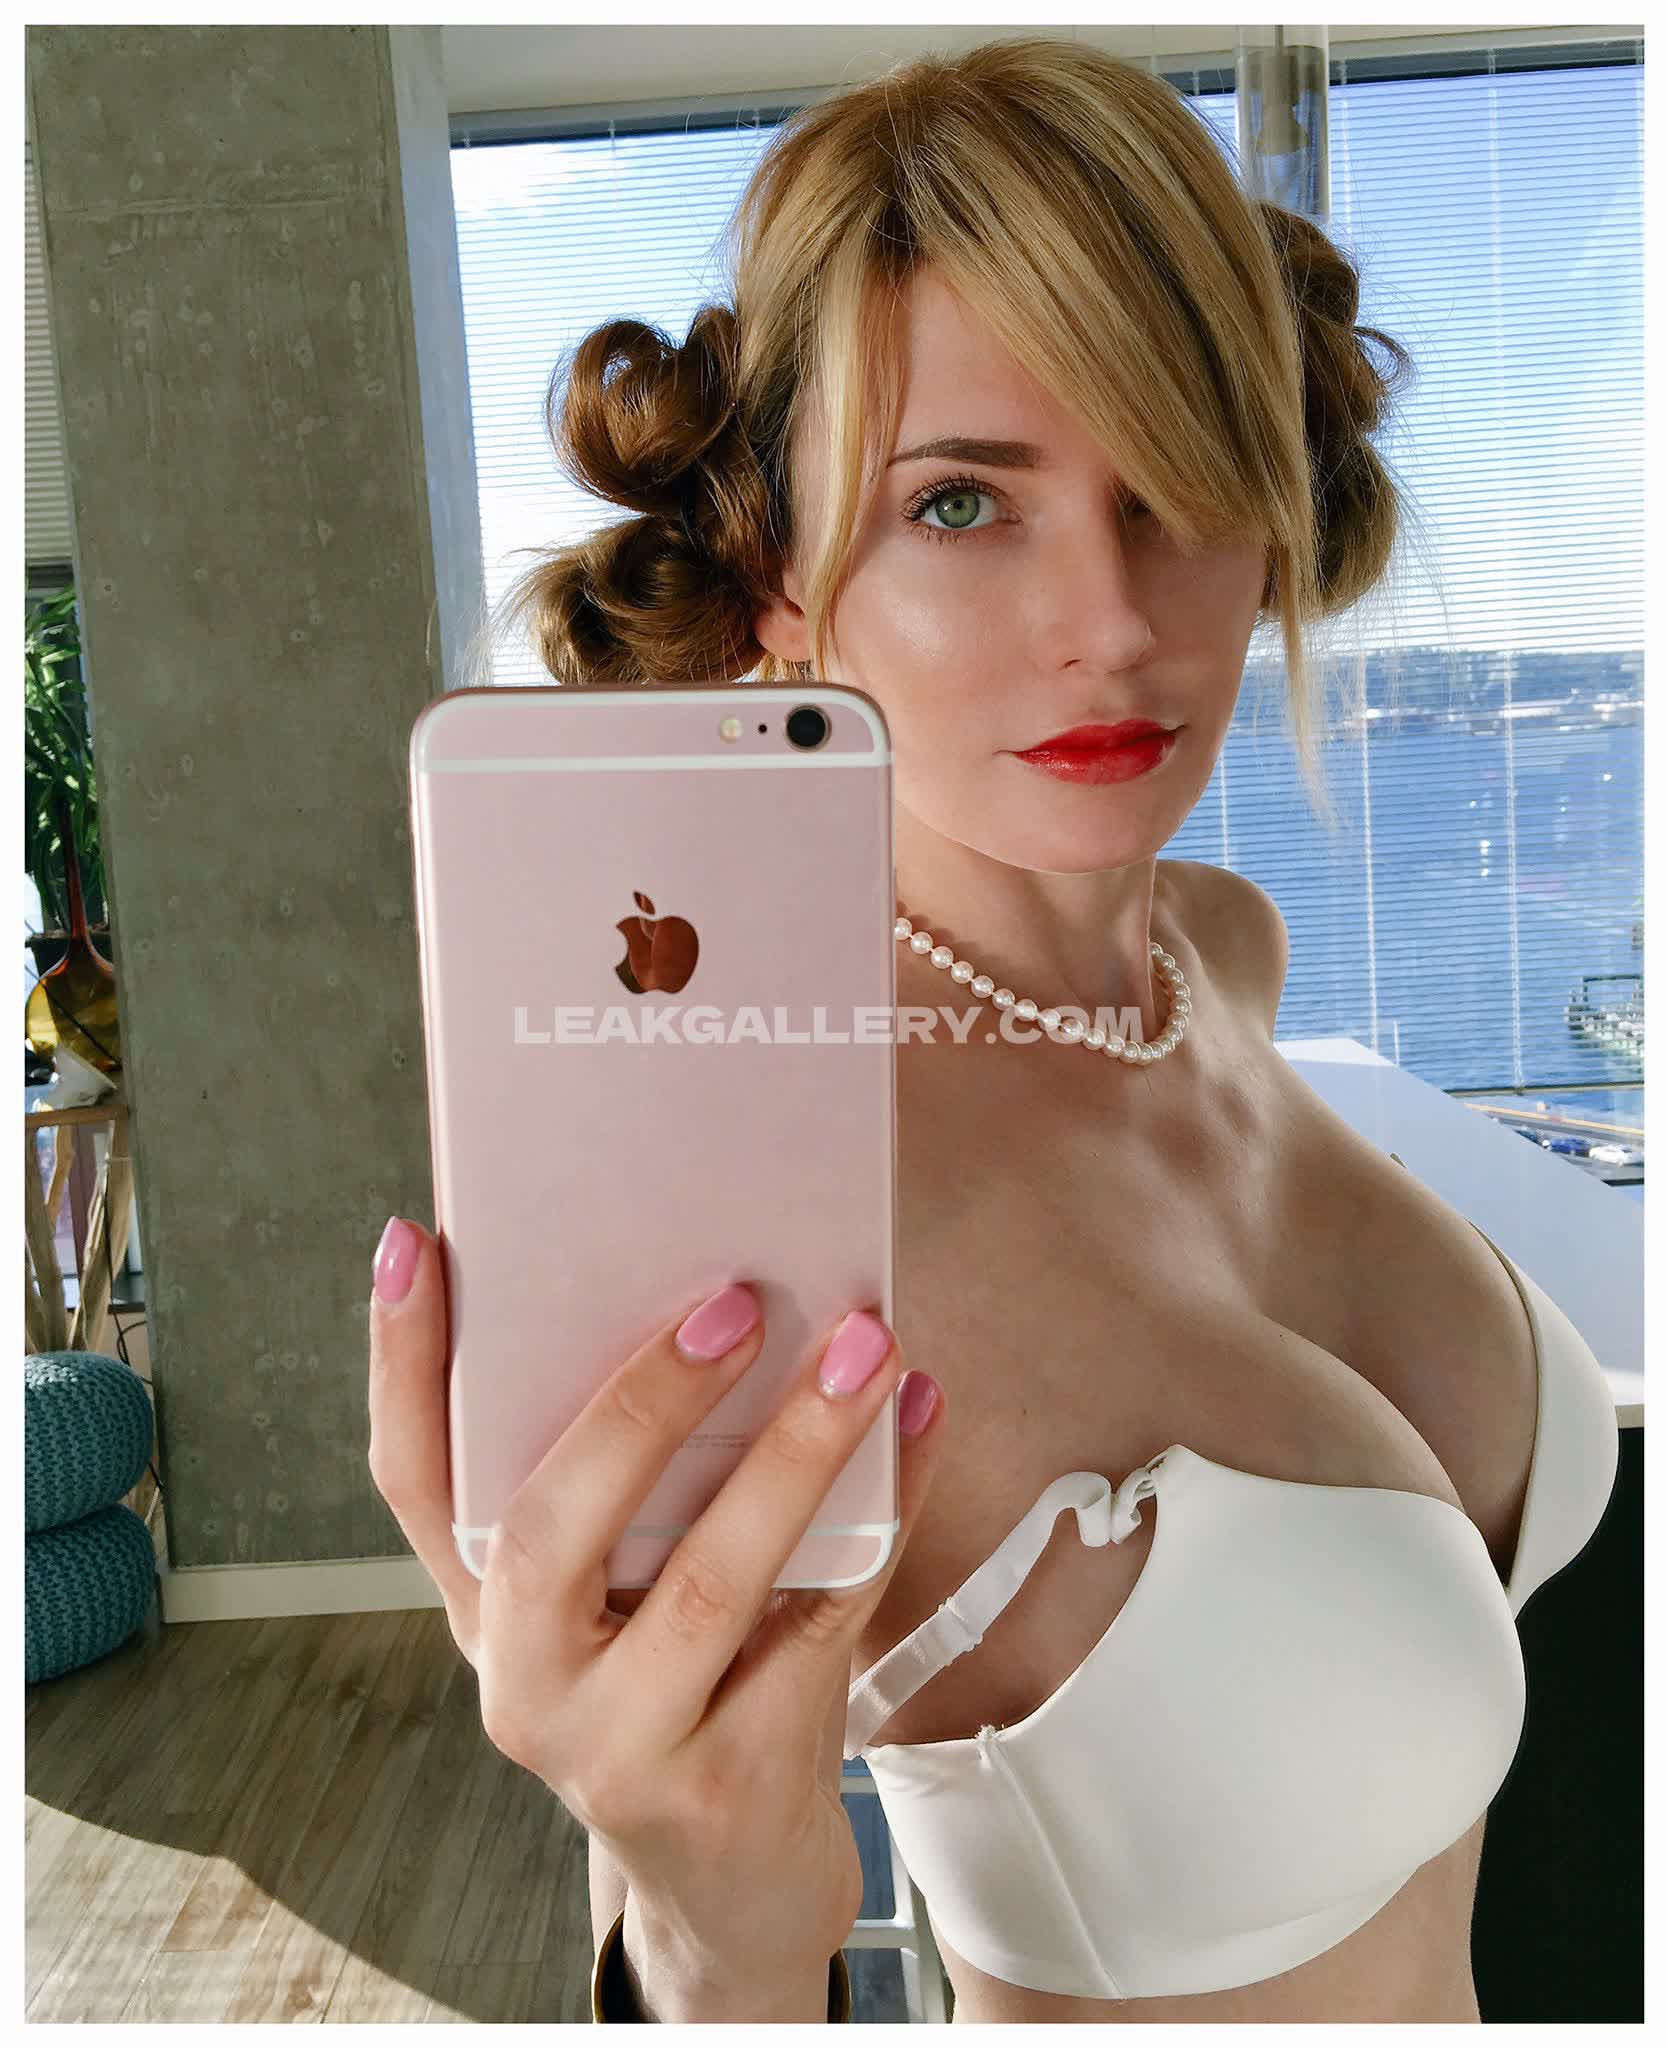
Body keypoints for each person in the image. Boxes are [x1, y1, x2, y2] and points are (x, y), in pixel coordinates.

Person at [368, 36, 1618, 2024]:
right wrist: (717, 1936)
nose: (1109, 618)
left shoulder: (1220, 950)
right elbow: (678, 1916)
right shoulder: (769, 1195)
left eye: (1174, 483)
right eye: (960, 503)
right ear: (777, 576)